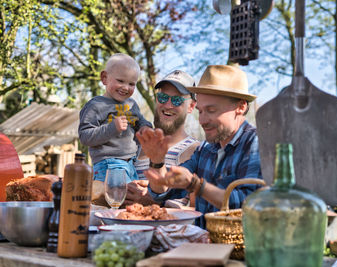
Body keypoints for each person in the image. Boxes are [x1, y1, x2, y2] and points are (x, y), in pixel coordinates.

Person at [136, 65, 263, 228]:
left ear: (241, 107)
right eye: (200, 111)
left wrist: (197, 186)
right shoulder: (206, 149)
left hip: (237, 252)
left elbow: (250, 205)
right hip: (204, 247)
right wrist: (157, 161)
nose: (202, 121)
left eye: (211, 110)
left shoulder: (256, 143)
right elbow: (165, 190)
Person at [124, 70, 200, 206]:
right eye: (163, 97)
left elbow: (196, 215)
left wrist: (153, 201)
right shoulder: (135, 144)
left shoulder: (197, 152)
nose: (168, 105)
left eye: (177, 100)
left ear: (191, 106)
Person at [79, 53, 152, 183]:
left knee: (130, 199)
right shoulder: (95, 105)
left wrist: (145, 127)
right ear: (105, 78)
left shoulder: (131, 104)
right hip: (108, 164)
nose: (126, 87)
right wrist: (112, 128)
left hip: (131, 164)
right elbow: (85, 136)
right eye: (120, 81)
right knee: (115, 200)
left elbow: (140, 120)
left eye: (131, 84)